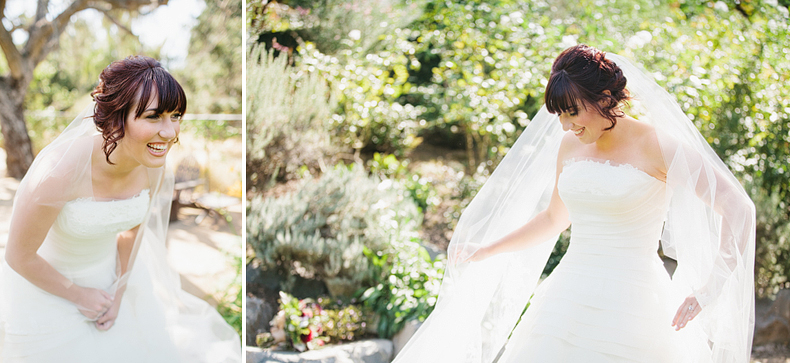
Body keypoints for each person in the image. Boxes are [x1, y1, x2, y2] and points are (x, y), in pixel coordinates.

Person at [392, 45, 755, 363]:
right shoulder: (570, 146)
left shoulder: (658, 145)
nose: (566, 126)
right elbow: (553, 218)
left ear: (606, 97)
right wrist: (486, 250)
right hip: (567, 296)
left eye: (572, 112)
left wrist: (711, 288)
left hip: (634, 304)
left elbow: (738, 207)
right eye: (560, 115)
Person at [0, 56, 240, 362]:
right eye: (153, 117)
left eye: (175, 115)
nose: (169, 132)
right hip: (44, 290)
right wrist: (79, 295)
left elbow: (132, 230)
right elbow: (18, 256)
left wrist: (120, 289)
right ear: (116, 118)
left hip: (109, 283)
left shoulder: (152, 165)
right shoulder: (57, 172)